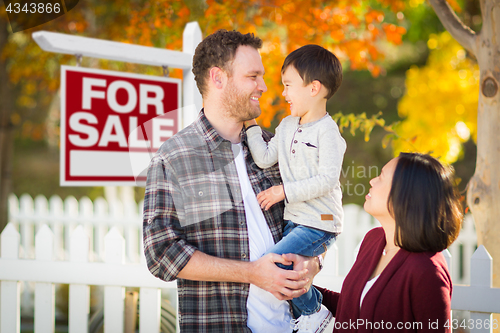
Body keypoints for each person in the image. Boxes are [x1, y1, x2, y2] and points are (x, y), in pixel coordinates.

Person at [143, 29, 321, 332]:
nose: (264, 87)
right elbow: (161, 253)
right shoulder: (174, 158)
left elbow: (317, 217)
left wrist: (312, 262)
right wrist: (251, 273)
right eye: (253, 76)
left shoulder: (278, 148)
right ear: (218, 78)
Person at [243, 44, 346, 332]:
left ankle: (315, 313)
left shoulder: (328, 132)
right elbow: (264, 158)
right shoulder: (287, 125)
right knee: (289, 271)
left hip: (320, 223)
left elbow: (326, 179)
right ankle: (313, 314)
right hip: (295, 220)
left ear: (313, 88)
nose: (284, 93)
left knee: (272, 265)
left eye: (288, 86)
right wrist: (250, 123)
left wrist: (283, 191)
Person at [316, 152, 462, 332]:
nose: (372, 181)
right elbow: (356, 309)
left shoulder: (428, 271)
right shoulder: (373, 240)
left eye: (381, 177)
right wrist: (304, 290)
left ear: (406, 195)